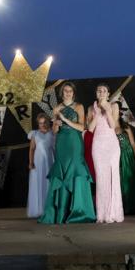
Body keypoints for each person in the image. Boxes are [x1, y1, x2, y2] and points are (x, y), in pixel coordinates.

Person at [39, 82, 96, 224]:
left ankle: (79, 210)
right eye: (65, 91)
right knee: (62, 170)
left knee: (76, 169)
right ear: (62, 93)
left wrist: (64, 119)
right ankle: (61, 212)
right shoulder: (57, 108)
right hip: (62, 142)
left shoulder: (79, 106)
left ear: (73, 93)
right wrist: (56, 125)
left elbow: (82, 127)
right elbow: (54, 131)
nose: (68, 93)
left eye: (70, 91)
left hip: (75, 142)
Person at [89, 83, 123, 223]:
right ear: (96, 93)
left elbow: (113, 125)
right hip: (98, 145)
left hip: (111, 144)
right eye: (99, 91)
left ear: (108, 94)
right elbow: (90, 128)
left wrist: (106, 109)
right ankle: (102, 214)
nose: (101, 93)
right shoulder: (92, 107)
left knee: (113, 177)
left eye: (104, 91)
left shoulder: (114, 105)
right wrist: (97, 113)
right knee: (101, 178)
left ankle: (113, 212)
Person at [116, 106, 135, 215]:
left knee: (130, 180)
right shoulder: (109, 127)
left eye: (118, 113)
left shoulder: (126, 127)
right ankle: (122, 207)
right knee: (119, 181)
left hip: (128, 155)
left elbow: (133, 144)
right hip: (116, 156)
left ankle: (132, 206)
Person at [26, 113, 55, 218]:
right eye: (40, 123)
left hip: (50, 161)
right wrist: (30, 162)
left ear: (47, 122)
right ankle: (38, 209)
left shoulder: (52, 133)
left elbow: (55, 149)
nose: (41, 125)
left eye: (43, 123)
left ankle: (49, 208)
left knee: (48, 184)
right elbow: (32, 149)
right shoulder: (35, 134)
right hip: (38, 162)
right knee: (38, 184)